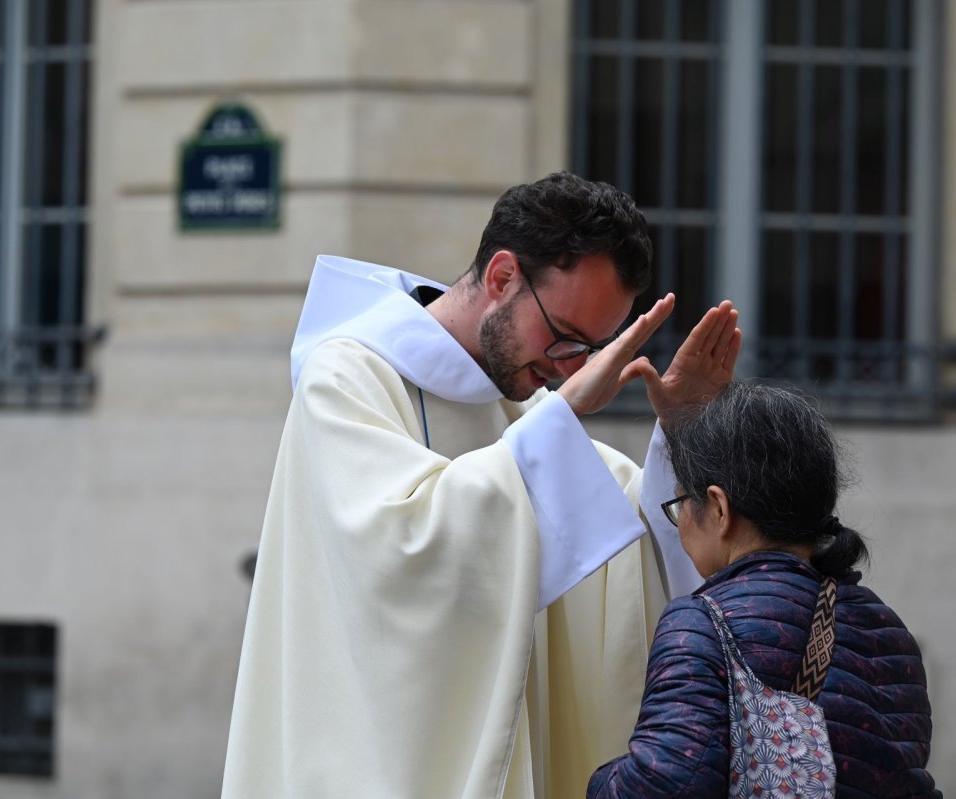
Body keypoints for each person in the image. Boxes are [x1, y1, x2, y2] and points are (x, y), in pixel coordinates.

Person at [221, 172, 743, 798]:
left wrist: (682, 431)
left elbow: (634, 541)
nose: (569, 367)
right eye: (567, 337)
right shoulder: (348, 378)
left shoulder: (523, 412)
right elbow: (401, 556)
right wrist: (563, 414)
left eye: (592, 348)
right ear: (502, 278)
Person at [587, 381, 942, 798]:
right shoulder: (888, 632)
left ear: (719, 509)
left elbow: (664, 784)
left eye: (678, 504)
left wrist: (596, 778)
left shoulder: (700, 622)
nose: (679, 521)